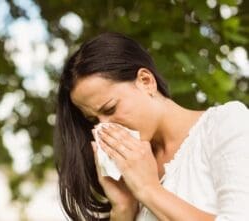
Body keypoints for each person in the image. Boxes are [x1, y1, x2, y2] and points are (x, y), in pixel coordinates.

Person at [53, 32, 249, 221]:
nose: (103, 128)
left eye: (110, 108)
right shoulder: (130, 170)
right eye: (93, 120)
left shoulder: (226, 124)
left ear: (146, 81)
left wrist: (148, 189)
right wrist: (123, 208)